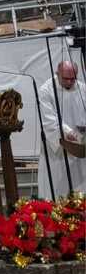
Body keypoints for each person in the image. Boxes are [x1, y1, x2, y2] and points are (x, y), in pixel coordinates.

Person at [38, 60, 86, 200]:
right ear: (57, 73)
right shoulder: (46, 90)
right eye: (66, 78)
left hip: (81, 148)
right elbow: (50, 120)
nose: (70, 82)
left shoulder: (82, 88)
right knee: (58, 192)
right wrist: (70, 133)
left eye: (73, 78)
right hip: (58, 150)